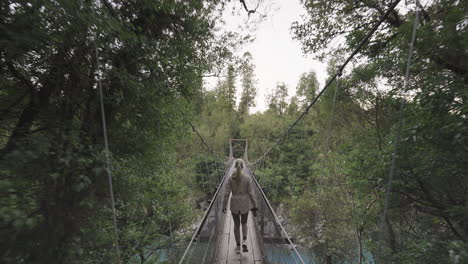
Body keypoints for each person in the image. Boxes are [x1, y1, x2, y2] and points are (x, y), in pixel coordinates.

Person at [222, 159, 258, 253]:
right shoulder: (247, 178)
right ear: (243, 167)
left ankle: (238, 246)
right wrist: (255, 205)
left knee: (236, 225)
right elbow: (251, 194)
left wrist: (224, 205)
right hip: (244, 203)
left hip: (234, 204)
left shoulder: (230, 178)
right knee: (244, 223)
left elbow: (226, 194)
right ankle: (245, 241)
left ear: (235, 166)